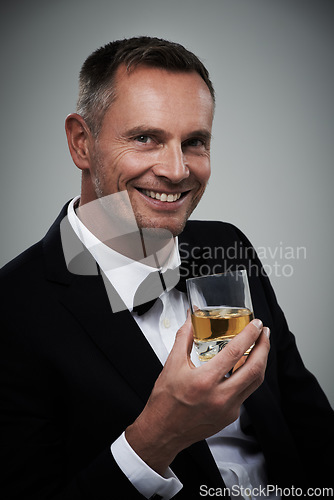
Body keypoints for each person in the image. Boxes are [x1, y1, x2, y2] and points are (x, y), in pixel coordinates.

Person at [0, 36, 333, 500]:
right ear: (81, 143)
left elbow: (308, 420)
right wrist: (155, 439)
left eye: (194, 142)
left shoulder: (228, 245)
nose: (177, 170)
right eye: (145, 138)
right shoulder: (11, 310)